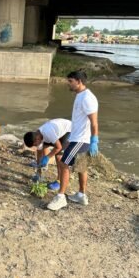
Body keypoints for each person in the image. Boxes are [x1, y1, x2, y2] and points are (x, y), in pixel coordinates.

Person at [47, 70, 99, 211]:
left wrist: (94, 140)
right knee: (81, 167)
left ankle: (61, 197)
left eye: (70, 81)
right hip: (77, 137)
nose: (68, 84)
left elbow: (94, 122)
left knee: (64, 164)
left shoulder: (87, 98)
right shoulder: (80, 95)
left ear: (79, 81)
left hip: (82, 139)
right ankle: (81, 195)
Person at [23, 118, 71, 188]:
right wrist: (38, 172)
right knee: (43, 147)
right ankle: (42, 170)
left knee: (58, 156)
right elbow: (39, 153)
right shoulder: (38, 136)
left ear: (37, 139)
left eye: (35, 145)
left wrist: (47, 157)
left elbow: (58, 147)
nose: (35, 146)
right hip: (57, 131)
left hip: (68, 131)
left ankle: (59, 181)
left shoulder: (48, 132)